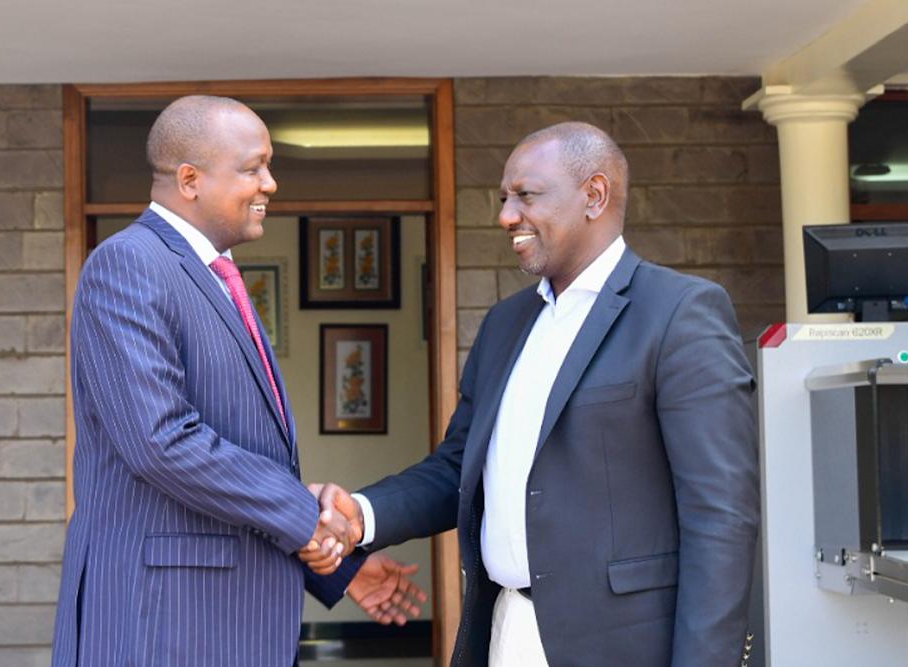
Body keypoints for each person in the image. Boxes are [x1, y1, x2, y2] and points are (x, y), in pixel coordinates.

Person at [304, 122, 759, 666]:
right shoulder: (505, 323)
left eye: (526, 195)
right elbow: (459, 469)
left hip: (626, 648)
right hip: (507, 631)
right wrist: (361, 515)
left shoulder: (679, 313)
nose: (506, 216)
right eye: (504, 198)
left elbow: (720, 518)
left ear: (594, 196)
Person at [51, 95, 424, 667]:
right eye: (253, 168)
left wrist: (339, 568)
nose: (270, 184)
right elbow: (162, 442)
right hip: (162, 628)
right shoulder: (129, 264)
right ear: (190, 180)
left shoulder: (213, 275)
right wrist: (307, 518)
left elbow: (238, 466)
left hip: (216, 622)